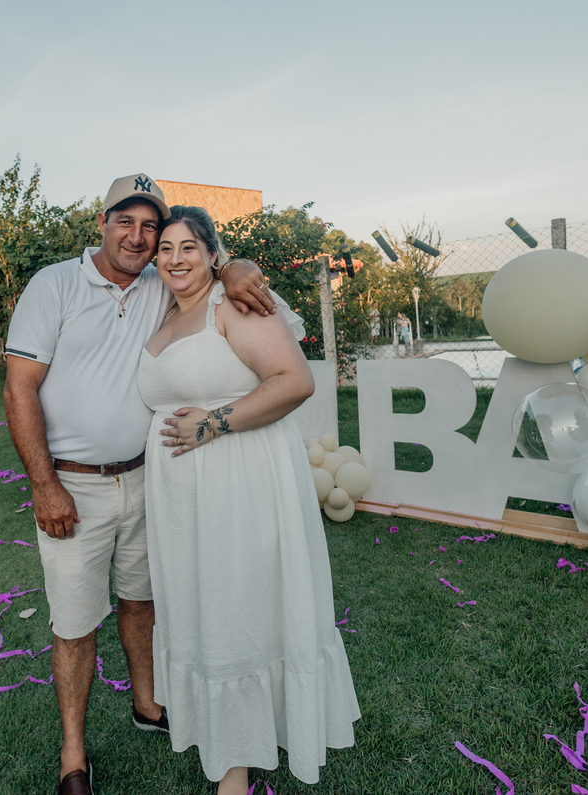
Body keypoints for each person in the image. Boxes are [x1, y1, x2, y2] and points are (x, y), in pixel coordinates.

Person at [3, 175, 275, 795]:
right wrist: (44, 485)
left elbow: (203, 269)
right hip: (73, 488)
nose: (138, 235)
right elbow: (19, 389)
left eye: (149, 226)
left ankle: (147, 704)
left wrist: (236, 267)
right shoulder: (54, 285)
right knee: (76, 623)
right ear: (101, 223)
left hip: (151, 478)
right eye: (125, 221)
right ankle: (74, 755)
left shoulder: (159, 284)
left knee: (143, 601)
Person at [138, 206, 360, 795]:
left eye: (189, 247)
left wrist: (212, 423)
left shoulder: (233, 304)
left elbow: (294, 380)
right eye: (165, 249)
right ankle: (226, 737)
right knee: (202, 610)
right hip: (182, 504)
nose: (175, 259)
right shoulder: (162, 313)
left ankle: (236, 768)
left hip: (239, 485)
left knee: (238, 608)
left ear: (214, 255)